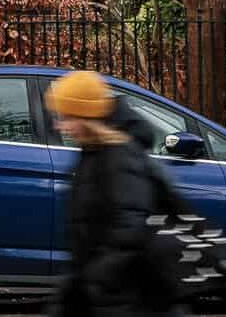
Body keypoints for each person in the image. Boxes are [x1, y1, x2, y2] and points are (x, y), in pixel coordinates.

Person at [46, 70, 173, 317]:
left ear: (85, 117)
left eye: (65, 117)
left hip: (128, 300)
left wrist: (94, 281)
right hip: (104, 296)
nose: (59, 125)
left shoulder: (120, 157)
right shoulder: (91, 154)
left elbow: (129, 230)